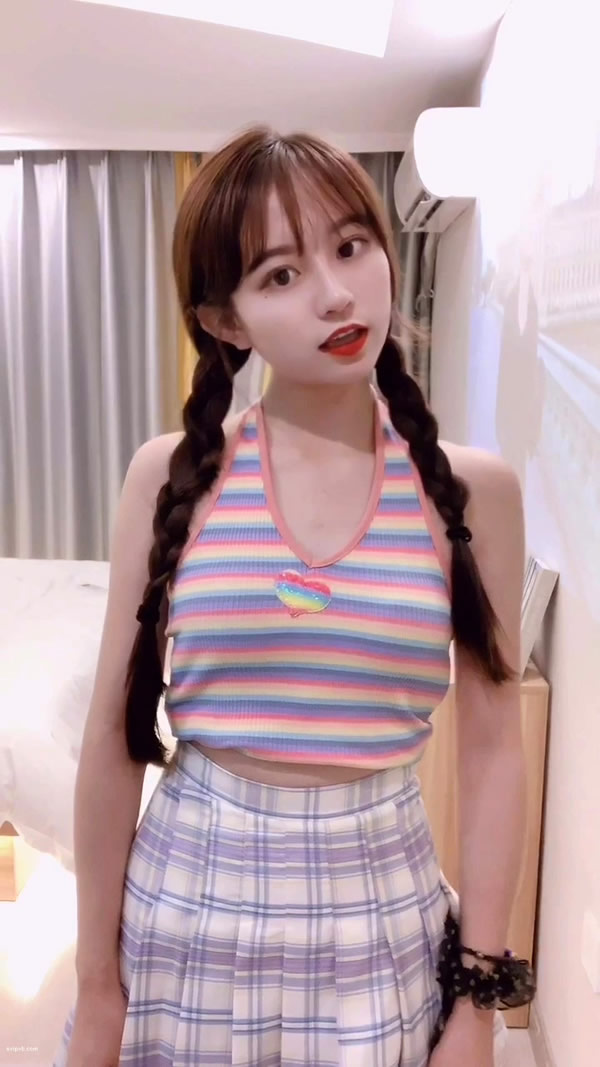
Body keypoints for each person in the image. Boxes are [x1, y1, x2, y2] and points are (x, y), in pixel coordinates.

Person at [54, 127, 532, 1067]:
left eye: (350, 246)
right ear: (225, 321)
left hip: (380, 910)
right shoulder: (171, 476)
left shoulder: (473, 493)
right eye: (280, 273)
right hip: (187, 901)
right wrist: (96, 983)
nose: (336, 293)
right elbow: (113, 735)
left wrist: (479, 1005)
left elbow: (492, 753)